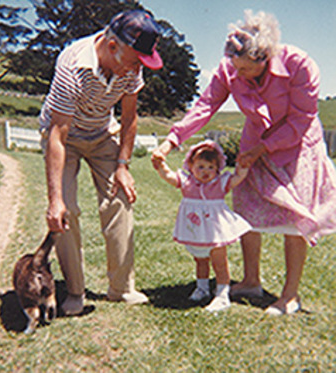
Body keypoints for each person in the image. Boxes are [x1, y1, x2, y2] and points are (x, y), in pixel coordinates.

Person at [151, 10, 336, 315]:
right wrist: (173, 138)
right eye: (236, 67)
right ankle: (251, 280)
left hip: (296, 146)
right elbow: (206, 105)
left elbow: (301, 121)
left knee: (294, 216)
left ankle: (290, 295)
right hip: (254, 146)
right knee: (247, 212)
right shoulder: (231, 68)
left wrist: (264, 149)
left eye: (247, 69)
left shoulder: (299, 65)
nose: (240, 74)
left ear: (266, 57)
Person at [39, 9, 163, 315]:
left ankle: (121, 289)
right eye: (134, 61)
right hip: (64, 135)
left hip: (102, 133)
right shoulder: (72, 64)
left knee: (121, 198)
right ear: (111, 47)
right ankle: (75, 292)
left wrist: (123, 166)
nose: (137, 69)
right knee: (67, 208)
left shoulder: (131, 65)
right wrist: (55, 199)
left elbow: (130, 117)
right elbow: (58, 133)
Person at [153, 140, 251, 312]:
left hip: (216, 231)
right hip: (196, 231)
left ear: (218, 168)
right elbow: (169, 176)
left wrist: (242, 167)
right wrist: (161, 166)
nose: (205, 172)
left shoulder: (220, 183)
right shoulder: (187, 182)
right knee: (200, 260)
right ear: (190, 166)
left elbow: (237, 178)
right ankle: (202, 288)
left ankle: (222, 293)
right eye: (200, 167)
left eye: (211, 168)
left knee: (219, 261)